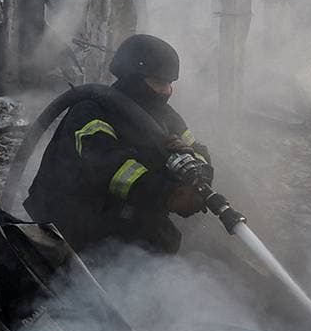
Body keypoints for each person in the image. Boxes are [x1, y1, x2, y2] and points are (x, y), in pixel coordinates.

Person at [24, 33, 211, 255]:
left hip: (123, 215)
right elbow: (110, 169)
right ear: (133, 79)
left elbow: (197, 149)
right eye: (159, 82)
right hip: (73, 224)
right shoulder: (91, 111)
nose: (167, 91)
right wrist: (169, 194)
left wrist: (198, 172)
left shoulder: (165, 116)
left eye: (170, 83)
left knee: (166, 243)